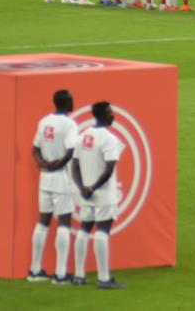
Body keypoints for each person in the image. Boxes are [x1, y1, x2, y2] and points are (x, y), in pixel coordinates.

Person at [27, 89, 78, 284]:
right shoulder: (69, 124)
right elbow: (71, 150)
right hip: (61, 179)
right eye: (71, 100)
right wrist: (60, 163)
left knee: (43, 222)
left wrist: (42, 163)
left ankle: (34, 270)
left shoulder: (44, 121)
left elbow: (35, 149)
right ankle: (61, 274)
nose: (73, 103)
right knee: (64, 223)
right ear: (66, 103)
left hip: (45, 178)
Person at [71, 101, 123, 289]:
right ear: (102, 115)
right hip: (103, 194)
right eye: (110, 112)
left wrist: (82, 188)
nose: (113, 115)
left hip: (86, 195)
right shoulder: (109, 139)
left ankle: (78, 276)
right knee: (102, 232)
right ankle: (103, 278)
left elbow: (74, 165)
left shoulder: (83, 136)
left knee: (84, 229)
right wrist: (92, 188)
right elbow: (109, 169)